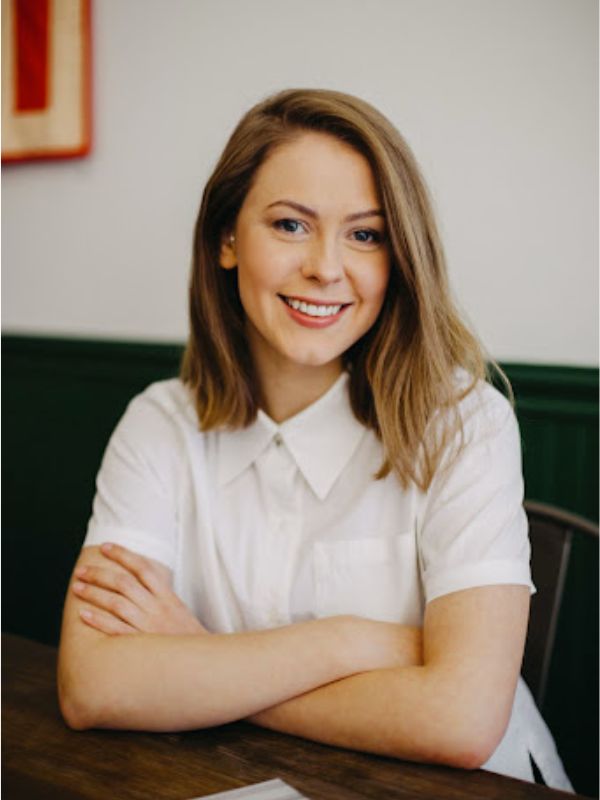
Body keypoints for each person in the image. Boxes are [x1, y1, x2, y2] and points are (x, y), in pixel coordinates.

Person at [57, 88, 572, 790]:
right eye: (291, 225)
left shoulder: (464, 422)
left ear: (398, 259)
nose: (327, 267)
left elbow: (461, 719)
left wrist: (201, 662)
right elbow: (95, 685)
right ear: (227, 239)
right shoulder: (160, 423)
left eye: (365, 234)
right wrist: (355, 643)